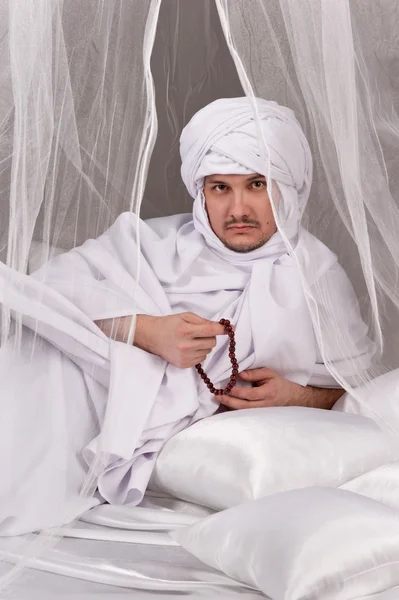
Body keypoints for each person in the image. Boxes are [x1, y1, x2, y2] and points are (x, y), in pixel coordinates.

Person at [0, 97, 374, 534]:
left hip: (96, 420)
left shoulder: (320, 279)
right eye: (220, 187)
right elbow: (45, 297)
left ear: (288, 190)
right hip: (56, 392)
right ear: (200, 192)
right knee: (33, 351)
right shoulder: (150, 243)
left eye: (257, 184)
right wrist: (143, 329)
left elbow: (356, 387)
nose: (238, 210)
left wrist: (298, 397)